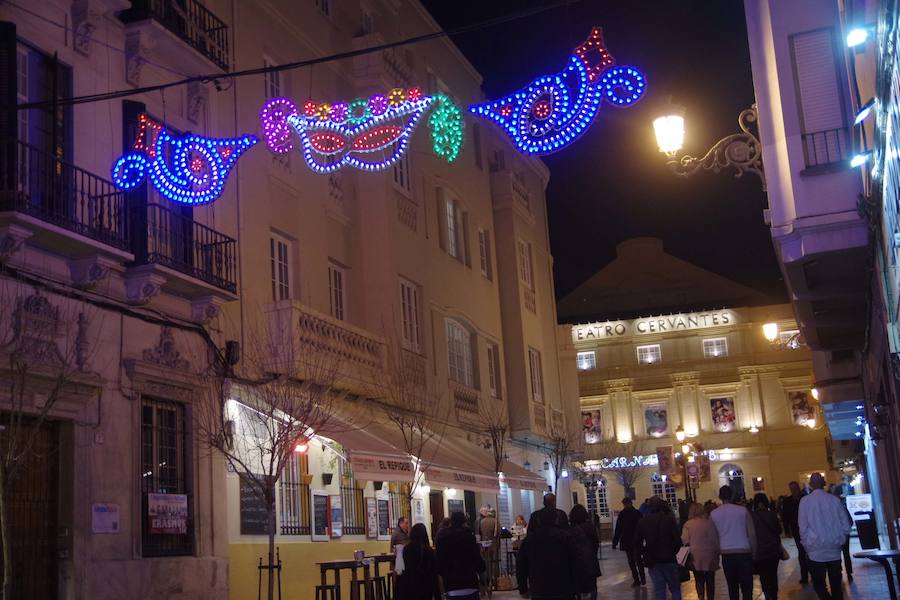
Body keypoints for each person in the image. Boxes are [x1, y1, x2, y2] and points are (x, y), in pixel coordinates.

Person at [799, 473, 852, 600]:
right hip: (834, 548)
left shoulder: (805, 502)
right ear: (824, 483)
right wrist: (841, 539)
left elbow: (803, 526)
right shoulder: (834, 500)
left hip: (815, 550)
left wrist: (806, 544)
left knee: (819, 585)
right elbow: (845, 524)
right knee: (836, 585)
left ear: (810, 485)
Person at [517, 506, 577, 599]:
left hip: (539, 588)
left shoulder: (529, 540)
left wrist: (523, 588)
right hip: (563, 587)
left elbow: (521, 566)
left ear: (539, 521)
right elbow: (575, 561)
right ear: (556, 519)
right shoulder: (565, 537)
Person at [711, 485, 757, 600]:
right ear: (732, 495)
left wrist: (718, 552)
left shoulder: (714, 514)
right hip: (744, 551)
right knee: (747, 587)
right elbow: (752, 534)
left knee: (732, 588)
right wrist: (754, 552)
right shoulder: (742, 511)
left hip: (727, 553)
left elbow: (713, 537)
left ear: (720, 496)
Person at [633, 496, 682, 600]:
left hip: (653, 559)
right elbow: (677, 541)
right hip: (669, 558)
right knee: (675, 589)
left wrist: (644, 552)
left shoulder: (643, 521)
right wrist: (673, 551)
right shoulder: (669, 520)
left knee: (659, 590)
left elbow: (637, 542)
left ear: (649, 507)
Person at [435, 512, 485, 600]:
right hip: (470, 583)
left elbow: (439, 564)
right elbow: (477, 559)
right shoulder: (469, 536)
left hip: (451, 585)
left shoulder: (443, 538)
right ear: (464, 522)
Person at [681, 502, 720, 600]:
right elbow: (714, 539)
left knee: (699, 579)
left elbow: (685, 540)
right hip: (709, 554)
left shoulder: (688, 524)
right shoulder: (709, 522)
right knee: (710, 579)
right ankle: (711, 597)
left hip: (695, 555)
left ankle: (701, 597)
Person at [397, 523, 440, 600]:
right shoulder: (429, 551)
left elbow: (400, 572)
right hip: (425, 589)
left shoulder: (406, 550)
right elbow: (434, 576)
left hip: (409, 589)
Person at [750, 494, 782, 600]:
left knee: (764, 576)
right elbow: (779, 530)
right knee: (773, 575)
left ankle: (768, 595)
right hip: (773, 550)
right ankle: (774, 595)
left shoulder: (752, 516)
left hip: (760, 551)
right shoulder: (772, 514)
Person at [569, 504, 601, 600]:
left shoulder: (570, 529)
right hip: (589, 558)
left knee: (577, 585)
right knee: (592, 585)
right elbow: (596, 543)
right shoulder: (590, 527)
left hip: (576, 561)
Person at [612, 497, 646, 586]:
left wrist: (615, 541)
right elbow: (642, 527)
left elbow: (618, 529)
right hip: (636, 540)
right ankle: (641, 578)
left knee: (632, 562)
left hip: (628, 541)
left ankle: (637, 580)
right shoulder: (637, 513)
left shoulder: (623, 514)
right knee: (637, 561)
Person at [782, 481, 809, 583]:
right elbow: (785, 517)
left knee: (808, 551)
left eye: (795, 488)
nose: (794, 491)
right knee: (801, 552)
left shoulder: (805, 498)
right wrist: (787, 530)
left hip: (807, 529)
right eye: (792, 489)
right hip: (796, 529)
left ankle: (812, 573)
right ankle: (805, 575)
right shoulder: (787, 501)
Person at [830, 485, 854, 582]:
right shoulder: (843, 506)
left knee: (837, 553)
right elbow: (850, 521)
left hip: (836, 534)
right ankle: (849, 572)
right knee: (846, 553)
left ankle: (839, 571)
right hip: (844, 534)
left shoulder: (831, 509)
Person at [478, 506, 499, 589]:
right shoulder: (495, 521)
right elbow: (498, 533)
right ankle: (495, 582)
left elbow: (479, 532)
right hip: (494, 544)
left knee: (487, 563)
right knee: (495, 563)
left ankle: (488, 581)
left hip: (484, 545)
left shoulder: (481, 521)